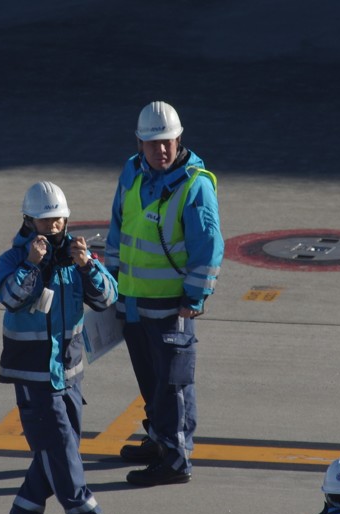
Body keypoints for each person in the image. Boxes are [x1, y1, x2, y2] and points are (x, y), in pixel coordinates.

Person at [104, 101, 223, 486]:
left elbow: (209, 246)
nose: (162, 151)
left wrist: (195, 297)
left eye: (168, 142)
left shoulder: (194, 184)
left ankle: (175, 458)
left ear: (179, 139)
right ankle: (159, 438)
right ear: (139, 143)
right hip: (134, 300)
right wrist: (109, 280)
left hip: (172, 306)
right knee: (150, 379)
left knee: (174, 384)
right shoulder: (131, 172)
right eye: (153, 143)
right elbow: (118, 226)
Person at [0, 181, 117, 514]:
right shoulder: (12, 260)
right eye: (44, 222)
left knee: (61, 446)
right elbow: (8, 297)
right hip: (32, 374)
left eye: (58, 221)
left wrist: (86, 267)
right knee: (60, 444)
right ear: (27, 222)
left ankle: (24, 512)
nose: (52, 229)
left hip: (70, 372)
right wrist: (32, 265)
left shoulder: (75, 261)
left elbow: (108, 298)